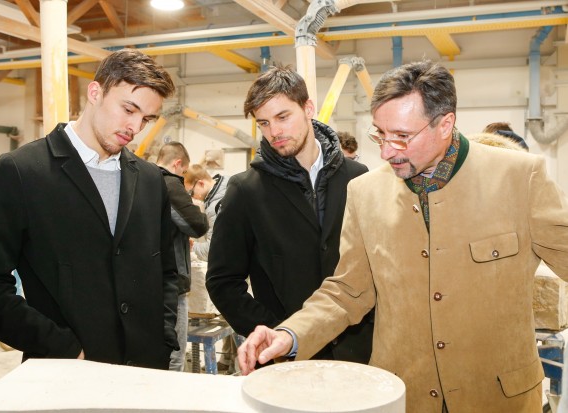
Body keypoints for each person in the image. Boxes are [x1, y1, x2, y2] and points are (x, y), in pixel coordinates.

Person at [237, 60, 568, 412]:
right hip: (404, 396)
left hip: (499, 398)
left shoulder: (519, 178)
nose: (386, 151)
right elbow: (347, 292)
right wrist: (288, 334)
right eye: (380, 134)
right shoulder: (365, 192)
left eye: (401, 137)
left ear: (445, 124)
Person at [0, 49, 180, 369]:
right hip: (64, 372)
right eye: (128, 109)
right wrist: (58, 347)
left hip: (145, 371)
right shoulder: (22, 172)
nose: (134, 126)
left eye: (146, 119)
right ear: (95, 92)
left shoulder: (149, 179)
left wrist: (164, 338)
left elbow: (165, 273)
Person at [206, 65, 374, 365]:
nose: (275, 132)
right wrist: (276, 331)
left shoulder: (358, 178)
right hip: (288, 357)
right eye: (264, 123)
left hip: (358, 347)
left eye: (283, 117)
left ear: (308, 108)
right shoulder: (245, 190)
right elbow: (223, 282)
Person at [155, 142, 208, 371]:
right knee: (174, 354)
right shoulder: (168, 182)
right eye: (184, 172)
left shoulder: (137, 179)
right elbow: (197, 225)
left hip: (146, 280)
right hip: (171, 284)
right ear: (177, 164)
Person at [183, 164, 236, 372]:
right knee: (232, 319)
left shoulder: (216, 204)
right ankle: (229, 360)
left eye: (191, 192)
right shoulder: (227, 181)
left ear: (202, 182)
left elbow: (216, 248)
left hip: (236, 270)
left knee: (234, 316)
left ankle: (237, 363)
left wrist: (194, 246)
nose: (193, 198)